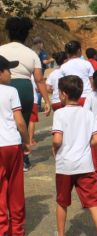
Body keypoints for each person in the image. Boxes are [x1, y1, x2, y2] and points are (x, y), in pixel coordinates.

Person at [52, 75, 97, 236]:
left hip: (65, 166)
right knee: (93, 203)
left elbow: (57, 139)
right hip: (85, 165)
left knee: (62, 202)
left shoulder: (60, 113)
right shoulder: (88, 114)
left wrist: (54, 148)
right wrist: (83, 144)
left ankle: (61, 234)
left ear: (63, 94)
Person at [0, 16, 51, 171]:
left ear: (9, 33)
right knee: (23, 121)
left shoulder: (1, 49)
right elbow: (39, 79)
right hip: (24, 89)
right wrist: (47, 101)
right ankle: (24, 158)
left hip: (3, 86)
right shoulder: (31, 53)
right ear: (26, 35)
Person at [0, 55, 30, 236]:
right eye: (8, 69)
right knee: (15, 187)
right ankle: (17, 229)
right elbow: (20, 122)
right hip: (11, 144)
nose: (10, 73)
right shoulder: (10, 91)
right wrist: (26, 142)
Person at [59, 40, 94, 106]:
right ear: (79, 51)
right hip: (86, 97)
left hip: (71, 99)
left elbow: (61, 85)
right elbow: (92, 81)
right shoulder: (87, 64)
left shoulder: (63, 67)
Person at [32, 36, 54, 111]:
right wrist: (51, 59)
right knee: (40, 87)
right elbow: (44, 62)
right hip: (40, 70)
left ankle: (34, 105)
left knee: (35, 88)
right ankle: (38, 105)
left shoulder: (31, 51)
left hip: (31, 71)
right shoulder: (41, 51)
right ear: (40, 43)